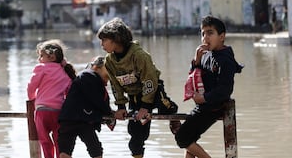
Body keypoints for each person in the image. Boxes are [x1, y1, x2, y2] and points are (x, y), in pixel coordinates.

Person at [96, 17, 179, 158]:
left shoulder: (139, 55)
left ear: (116, 39)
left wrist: (146, 106)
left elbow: (150, 80)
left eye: (104, 40)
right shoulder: (109, 61)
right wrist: (121, 107)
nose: (101, 44)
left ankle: (173, 112)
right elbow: (116, 86)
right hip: (134, 97)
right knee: (135, 138)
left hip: (153, 90)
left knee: (165, 107)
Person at [174, 15, 243, 158]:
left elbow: (225, 90)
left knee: (182, 137)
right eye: (203, 33)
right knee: (189, 141)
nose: (205, 37)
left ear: (222, 36)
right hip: (204, 105)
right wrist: (196, 61)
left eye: (210, 33)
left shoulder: (226, 60)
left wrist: (204, 98)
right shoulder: (205, 54)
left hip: (213, 107)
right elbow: (193, 77)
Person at [27, 39, 77, 158]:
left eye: (41, 56)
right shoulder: (65, 73)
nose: (39, 59)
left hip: (42, 111)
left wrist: (32, 98)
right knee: (58, 140)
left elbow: (31, 86)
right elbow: (69, 93)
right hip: (59, 112)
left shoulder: (42, 68)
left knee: (44, 141)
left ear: (51, 57)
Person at [58, 56, 113, 158]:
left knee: (65, 150)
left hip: (69, 118)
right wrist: (109, 112)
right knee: (95, 150)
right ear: (96, 68)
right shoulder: (88, 75)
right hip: (82, 119)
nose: (107, 81)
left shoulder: (86, 77)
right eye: (106, 76)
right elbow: (96, 99)